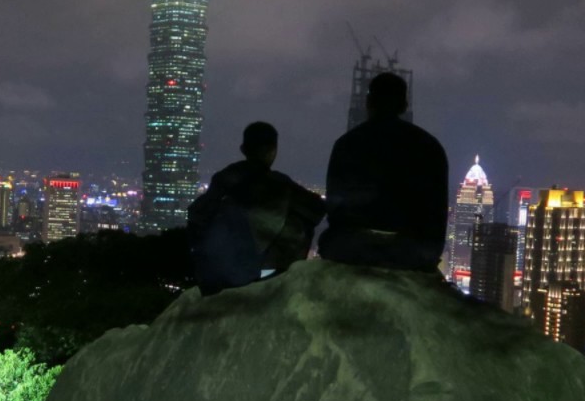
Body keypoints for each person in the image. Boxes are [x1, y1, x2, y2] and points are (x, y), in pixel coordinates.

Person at [318, 72, 448, 273]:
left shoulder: (348, 143)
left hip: (355, 248)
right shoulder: (430, 146)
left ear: (369, 102)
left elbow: (335, 211)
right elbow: (436, 216)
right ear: (404, 106)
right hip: (412, 251)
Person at [188, 121, 325, 295]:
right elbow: (317, 209)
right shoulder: (278, 183)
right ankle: (281, 275)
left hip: (215, 271)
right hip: (256, 270)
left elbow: (196, 216)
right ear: (273, 151)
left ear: (243, 149)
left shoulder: (224, 178)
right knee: (300, 218)